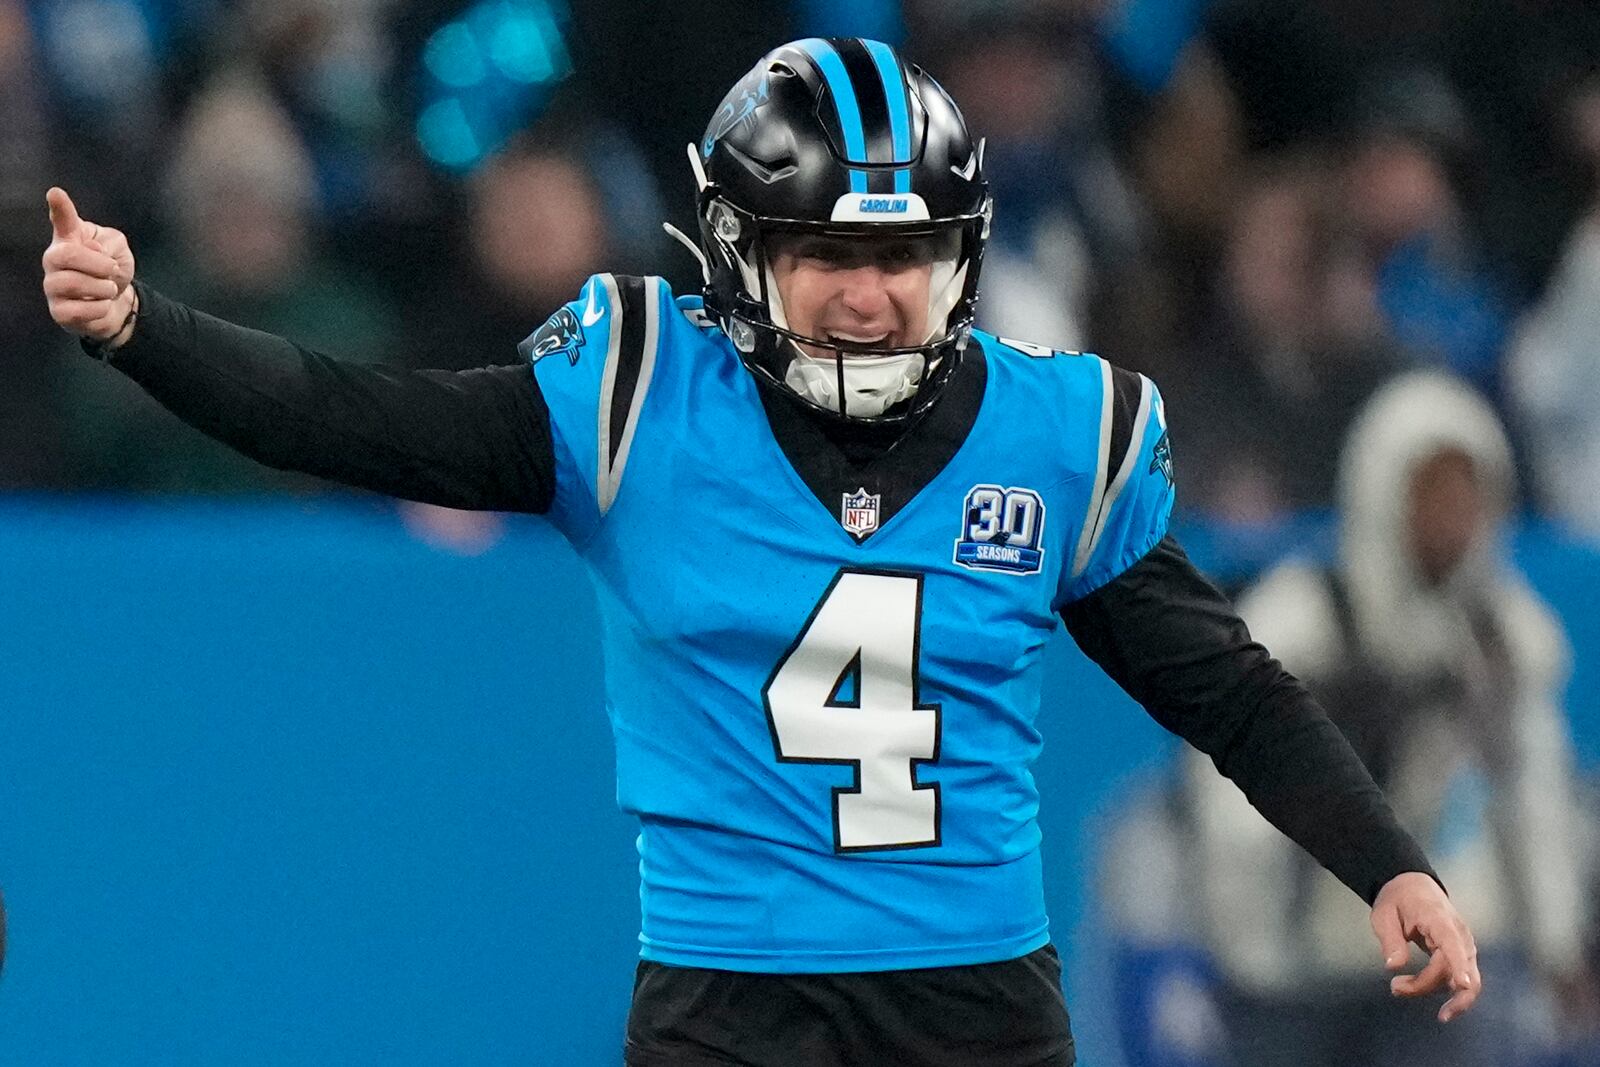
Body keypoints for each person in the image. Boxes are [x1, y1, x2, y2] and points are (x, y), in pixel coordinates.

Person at [40, 37, 1479, 1066]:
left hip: (977, 999)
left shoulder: (1051, 432)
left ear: (958, 256)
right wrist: (138, 326)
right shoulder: (639, 401)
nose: (868, 296)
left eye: (901, 255)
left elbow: (1220, 682)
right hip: (729, 999)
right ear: (742, 257)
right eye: (829, 257)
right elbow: (359, 421)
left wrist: (1387, 862)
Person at [1183, 372, 1594, 1065]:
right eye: (1432, 494)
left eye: (1468, 497)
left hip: (1434, 964)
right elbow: (1231, 777)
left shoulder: (1497, 639)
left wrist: (1555, 939)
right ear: (1383, 493)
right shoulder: (1306, 621)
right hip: (1299, 969)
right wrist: (1254, 943)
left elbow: (1535, 795)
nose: (1452, 519)